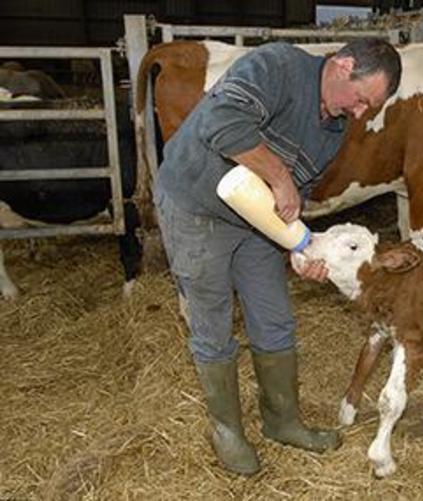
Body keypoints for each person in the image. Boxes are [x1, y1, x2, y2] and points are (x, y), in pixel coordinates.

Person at [153, 39, 402, 476]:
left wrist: (298, 252)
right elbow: (220, 120)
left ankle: (282, 420)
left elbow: (294, 195)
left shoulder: (333, 128)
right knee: (212, 320)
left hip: (254, 218)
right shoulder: (277, 66)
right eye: (362, 99)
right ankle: (227, 431)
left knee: (274, 317)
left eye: (370, 108)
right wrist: (279, 176)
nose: (360, 114)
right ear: (343, 66)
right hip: (195, 204)